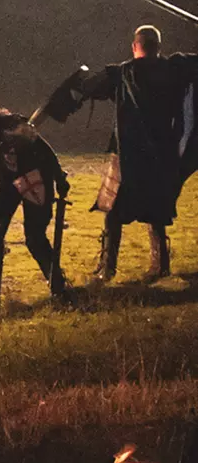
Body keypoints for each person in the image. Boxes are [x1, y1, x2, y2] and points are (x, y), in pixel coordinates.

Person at [54, 26, 196, 282]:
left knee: (114, 212)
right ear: (159, 47)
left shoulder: (121, 73)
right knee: (156, 209)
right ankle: (160, 265)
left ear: (135, 46)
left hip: (127, 154)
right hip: (161, 154)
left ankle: (108, 268)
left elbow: (88, 88)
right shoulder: (176, 68)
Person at [0, 97, 67, 307]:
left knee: (34, 238)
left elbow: (44, 150)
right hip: (3, 183)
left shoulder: (14, 129)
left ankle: (59, 288)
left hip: (34, 177)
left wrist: (59, 177)